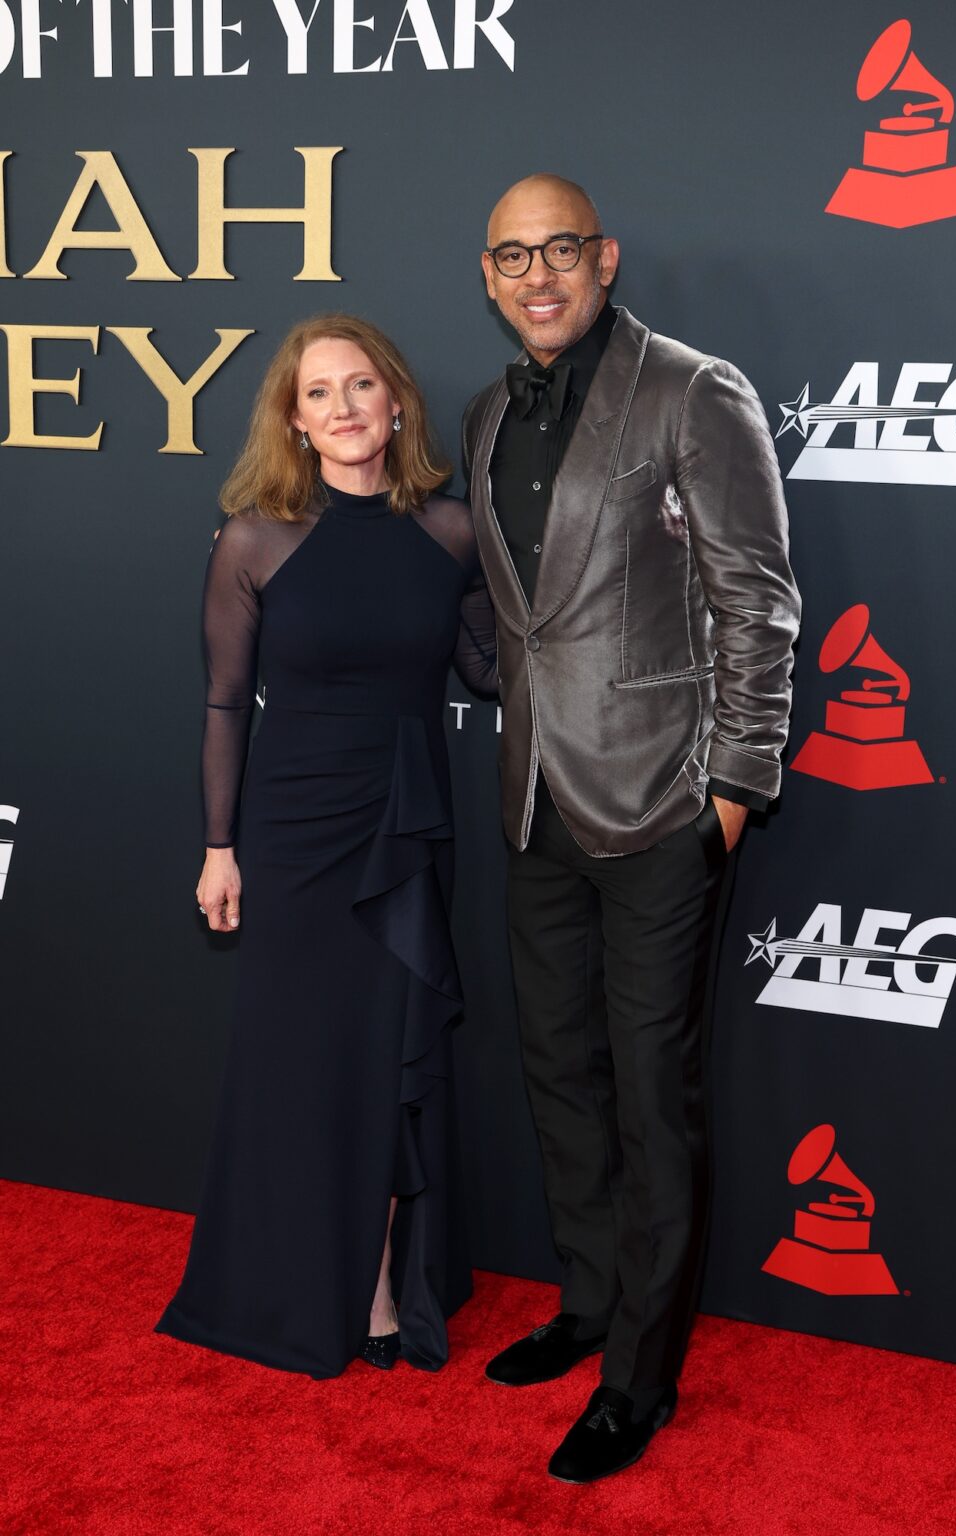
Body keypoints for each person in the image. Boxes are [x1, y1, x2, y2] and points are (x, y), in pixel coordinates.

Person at [463, 175, 801, 1482]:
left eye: (559, 248)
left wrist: (734, 788)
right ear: (487, 275)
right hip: (538, 798)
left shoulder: (692, 388)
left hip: (665, 802)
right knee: (559, 1070)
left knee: (654, 1097)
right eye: (512, 256)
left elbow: (756, 600)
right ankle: (591, 1301)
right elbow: (523, 621)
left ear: (601, 256)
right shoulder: (493, 413)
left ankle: (641, 1380)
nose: (538, 274)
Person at [157, 314, 496, 1379]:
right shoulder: (253, 538)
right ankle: (297, 1279)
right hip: (294, 830)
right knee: (300, 1063)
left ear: (395, 402)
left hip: (402, 826)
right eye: (318, 395)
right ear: (294, 422)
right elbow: (223, 704)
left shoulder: (450, 532)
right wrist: (221, 845)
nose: (343, 408)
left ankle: (387, 1280)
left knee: (393, 1057)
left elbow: (492, 675)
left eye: (360, 386)